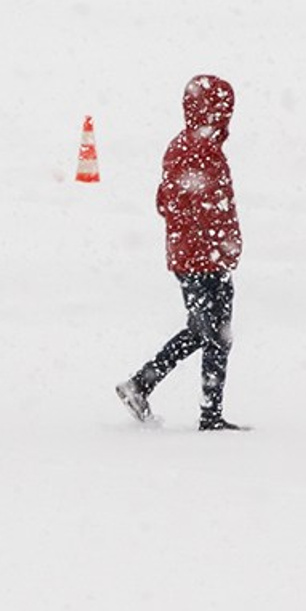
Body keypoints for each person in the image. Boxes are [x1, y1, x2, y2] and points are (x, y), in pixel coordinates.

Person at [119, 74, 245, 433]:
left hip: (189, 257)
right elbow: (214, 210)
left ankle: (141, 384)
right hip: (206, 258)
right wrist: (225, 244)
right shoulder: (204, 152)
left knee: (201, 329)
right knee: (216, 334)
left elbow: (164, 201)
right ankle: (209, 415)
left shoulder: (178, 146)